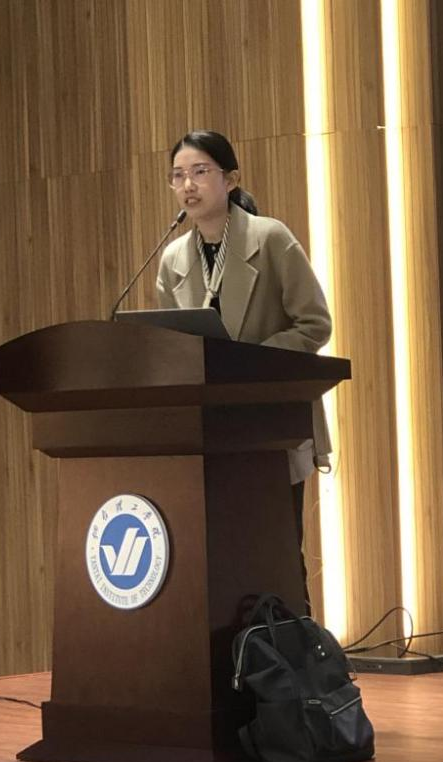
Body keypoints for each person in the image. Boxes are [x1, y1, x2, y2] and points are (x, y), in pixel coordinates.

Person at [156, 130, 332, 614]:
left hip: (271, 422)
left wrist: (251, 363)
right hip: (208, 430)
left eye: (200, 172)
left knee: (276, 551)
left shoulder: (270, 238)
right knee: (221, 557)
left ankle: (293, 650)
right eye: (177, 175)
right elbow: (171, 345)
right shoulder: (172, 260)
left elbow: (315, 324)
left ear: (231, 179)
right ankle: (233, 653)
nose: (187, 185)